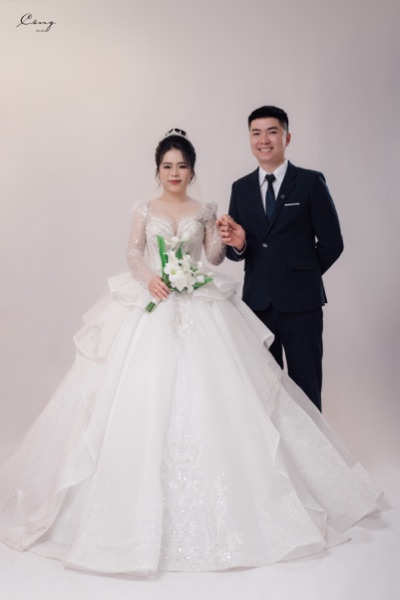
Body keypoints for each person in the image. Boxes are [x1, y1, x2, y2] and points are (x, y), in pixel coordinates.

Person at [0, 130, 379, 575]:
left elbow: (213, 258)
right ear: (158, 170)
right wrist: (150, 279)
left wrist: (223, 236)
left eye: (181, 165)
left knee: (226, 392)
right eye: (167, 166)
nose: (174, 172)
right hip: (155, 300)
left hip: (199, 300)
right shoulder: (144, 209)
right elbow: (133, 253)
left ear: (192, 170)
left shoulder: (206, 209)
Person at [217, 106, 344, 411]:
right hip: (257, 304)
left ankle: (312, 443)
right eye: (256, 133)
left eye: (272, 132)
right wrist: (239, 245)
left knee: (306, 388)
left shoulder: (310, 182)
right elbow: (236, 250)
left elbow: (332, 243)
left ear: (286, 138)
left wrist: (303, 276)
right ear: (250, 139)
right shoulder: (241, 188)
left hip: (302, 305)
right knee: (266, 390)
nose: (264, 140)